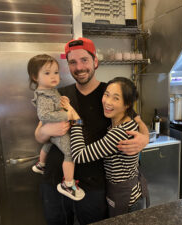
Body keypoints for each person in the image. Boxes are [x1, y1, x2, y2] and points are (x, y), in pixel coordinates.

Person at [35, 37, 149, 225]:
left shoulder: (110, 94)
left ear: (95, 61)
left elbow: (137, 121)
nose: (79, 67)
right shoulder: (59, 94)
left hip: (93, 185)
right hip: (55, 180)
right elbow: (39, 136)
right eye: (73, 62)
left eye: (84, 60)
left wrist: (144, 138)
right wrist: (48, 129)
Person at [62, 77, 149, 217]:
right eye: (106, 95)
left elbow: (79, 155)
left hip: (128, 198)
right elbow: (137, 116)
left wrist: (76, 120)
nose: (107, 102)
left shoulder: (119, 133)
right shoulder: (130, 120)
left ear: (127, 104)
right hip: (128, 192)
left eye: (116, 98)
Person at [27, 54, 85, 201]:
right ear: (35, 77)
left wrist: (62, 100)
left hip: (53, 132)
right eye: (47, 73)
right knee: (70, 152)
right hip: (57, 132)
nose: (53, 76)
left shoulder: (51, 90)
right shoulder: (44, 95)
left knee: (47, 144)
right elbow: (44, 115)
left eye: (56, 72)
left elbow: (55, 104)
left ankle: (41, 165)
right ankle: (68, 184)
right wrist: (67, 115)